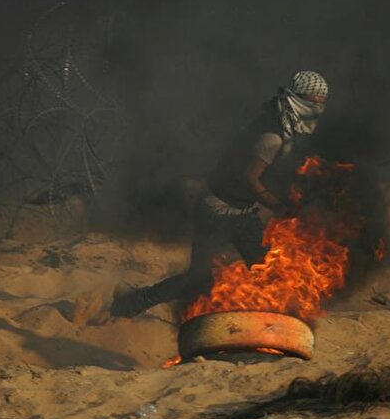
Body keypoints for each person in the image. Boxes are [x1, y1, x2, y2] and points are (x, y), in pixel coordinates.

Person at [109, 70, 329, 318]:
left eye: (320, 104)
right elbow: (252, 177)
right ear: (295, 99)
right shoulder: (272, 136)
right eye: (311, 102)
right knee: (199, 279)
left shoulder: (279, 123)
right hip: (217, 212)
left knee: (268, 269)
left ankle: (272, 322)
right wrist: (278, 205)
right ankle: (131, 303)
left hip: (244, 214)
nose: (316, 110)